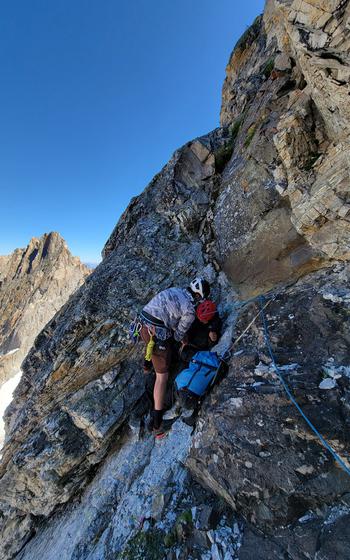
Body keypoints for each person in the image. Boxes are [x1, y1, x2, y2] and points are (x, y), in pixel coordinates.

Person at [139, 277, 210, 438]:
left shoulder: (175, 290)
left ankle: (147, 364)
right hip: (157, 334)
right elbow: (178, 336)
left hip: (143, 325)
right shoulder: (190, 310)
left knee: (153, 344)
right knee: (162, 377)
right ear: (199, 296)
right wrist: (181, 341)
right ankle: (157, 424)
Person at [179, 299, 222, 365]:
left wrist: (212, 340)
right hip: (188, 343)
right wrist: (185, 337)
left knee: (186, 356)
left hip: (197, 349)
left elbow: (211, 345)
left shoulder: (214, 325)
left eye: (202, 319)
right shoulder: (193, 315)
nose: (200, 320)